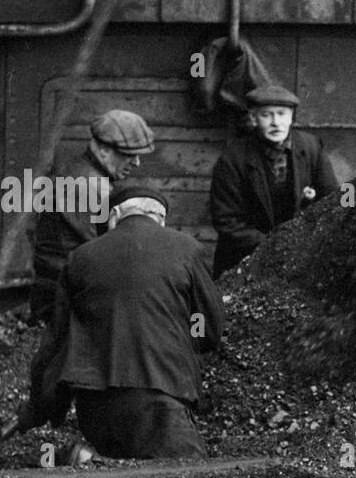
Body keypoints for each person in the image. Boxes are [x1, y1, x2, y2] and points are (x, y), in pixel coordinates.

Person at [22, 185, 223, 462]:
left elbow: (56, 343)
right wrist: (184, 336)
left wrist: (42, 408)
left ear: (114, 215)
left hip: (94, 408)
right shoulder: (186, 248)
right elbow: (210, 327)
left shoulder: (80, 258)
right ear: (160, 218)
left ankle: (86, 458)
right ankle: (84, 459)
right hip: (159, 400)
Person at [29, 109, 156, 322]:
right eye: (128, 155)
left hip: (60, 289)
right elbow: (104, 253)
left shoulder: (79, 169)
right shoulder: (89, 185)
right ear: (104, 150)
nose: (136, 163)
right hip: (64, 302)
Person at [208, 84, 340, 277]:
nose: (276, 123)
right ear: (253, 118)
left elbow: (331, 198)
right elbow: (226, 220)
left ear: (291, 117)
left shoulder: (311, 148)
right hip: (245, 258)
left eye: (281, 114)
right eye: (266, 115)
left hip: (300, 254)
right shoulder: (233, 158)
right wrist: (275, 244)